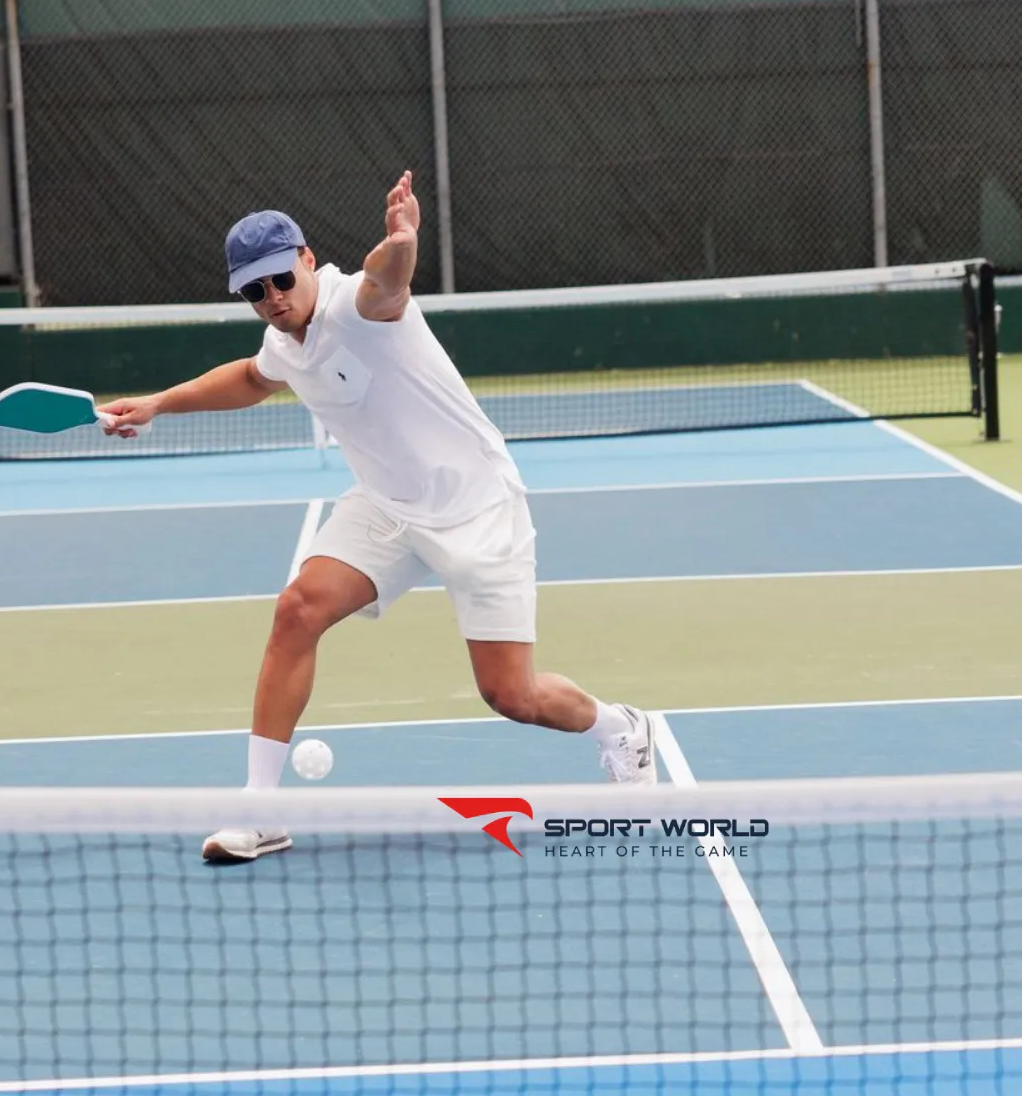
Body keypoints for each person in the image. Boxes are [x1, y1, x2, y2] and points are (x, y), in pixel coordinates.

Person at [99, 173, 656, 863]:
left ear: (305, 259)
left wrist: (402, 242)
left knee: (511, 694)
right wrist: (158, 402)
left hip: (475, 511)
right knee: (297, 609)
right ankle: (260, 810)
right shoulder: (285, 338)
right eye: (253, 291)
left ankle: (618, 727)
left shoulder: (356, 307)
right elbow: (253, 376)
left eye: (278, 279)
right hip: (389, 508)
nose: (271, 299)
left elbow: (384, 284)